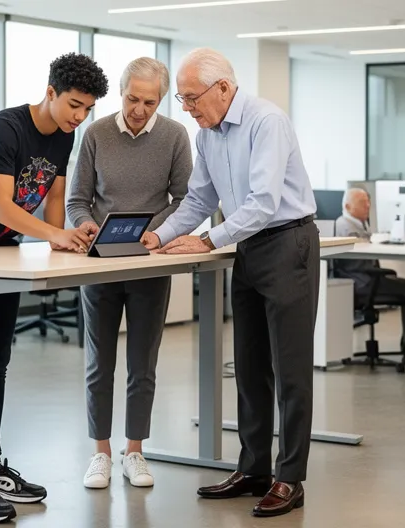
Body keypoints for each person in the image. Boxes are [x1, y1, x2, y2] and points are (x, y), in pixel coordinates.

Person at [142, 47, 318, 518]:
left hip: (287, 242)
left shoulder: (266, 121)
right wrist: (160, 234)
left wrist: (207, 242)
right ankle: (255, 466)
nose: (189, 109)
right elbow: (199, 199)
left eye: (191, 98)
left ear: (223, 88)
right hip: (247, 247)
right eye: (181, 101)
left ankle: (290, 477)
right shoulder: (208, 136)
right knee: (250, 364)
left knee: (291, 370)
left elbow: (263, 202)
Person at [0, 53, 107, 524]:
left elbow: (52, 198)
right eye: (73, 104)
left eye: (87, 109)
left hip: (3, 253)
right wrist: (54, 235)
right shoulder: (4, 129)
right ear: (50, 92)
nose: (78, 116)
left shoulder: (66, 137)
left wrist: (67, 239)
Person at [67, 57, 192, 490]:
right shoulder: (95, 133)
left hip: (149, 262)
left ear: (161, 100)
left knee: (144, 362)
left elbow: (185, 200)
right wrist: (84, 224)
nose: (139, 109)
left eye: (149, 101)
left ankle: (134, 451)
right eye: (132, 99)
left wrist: (152, 233)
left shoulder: (175, 136)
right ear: (121, 94)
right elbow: (77, 200)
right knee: (99, 362)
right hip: (101, 263)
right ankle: (100, 453)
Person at [333, 188, 405, 359]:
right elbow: (359, 260)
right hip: (363, 282)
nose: (368, 205)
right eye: (363, 203)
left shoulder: (357, 223)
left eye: (368, 201)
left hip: (368, 278)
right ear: (348, 206)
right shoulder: (345, 226)